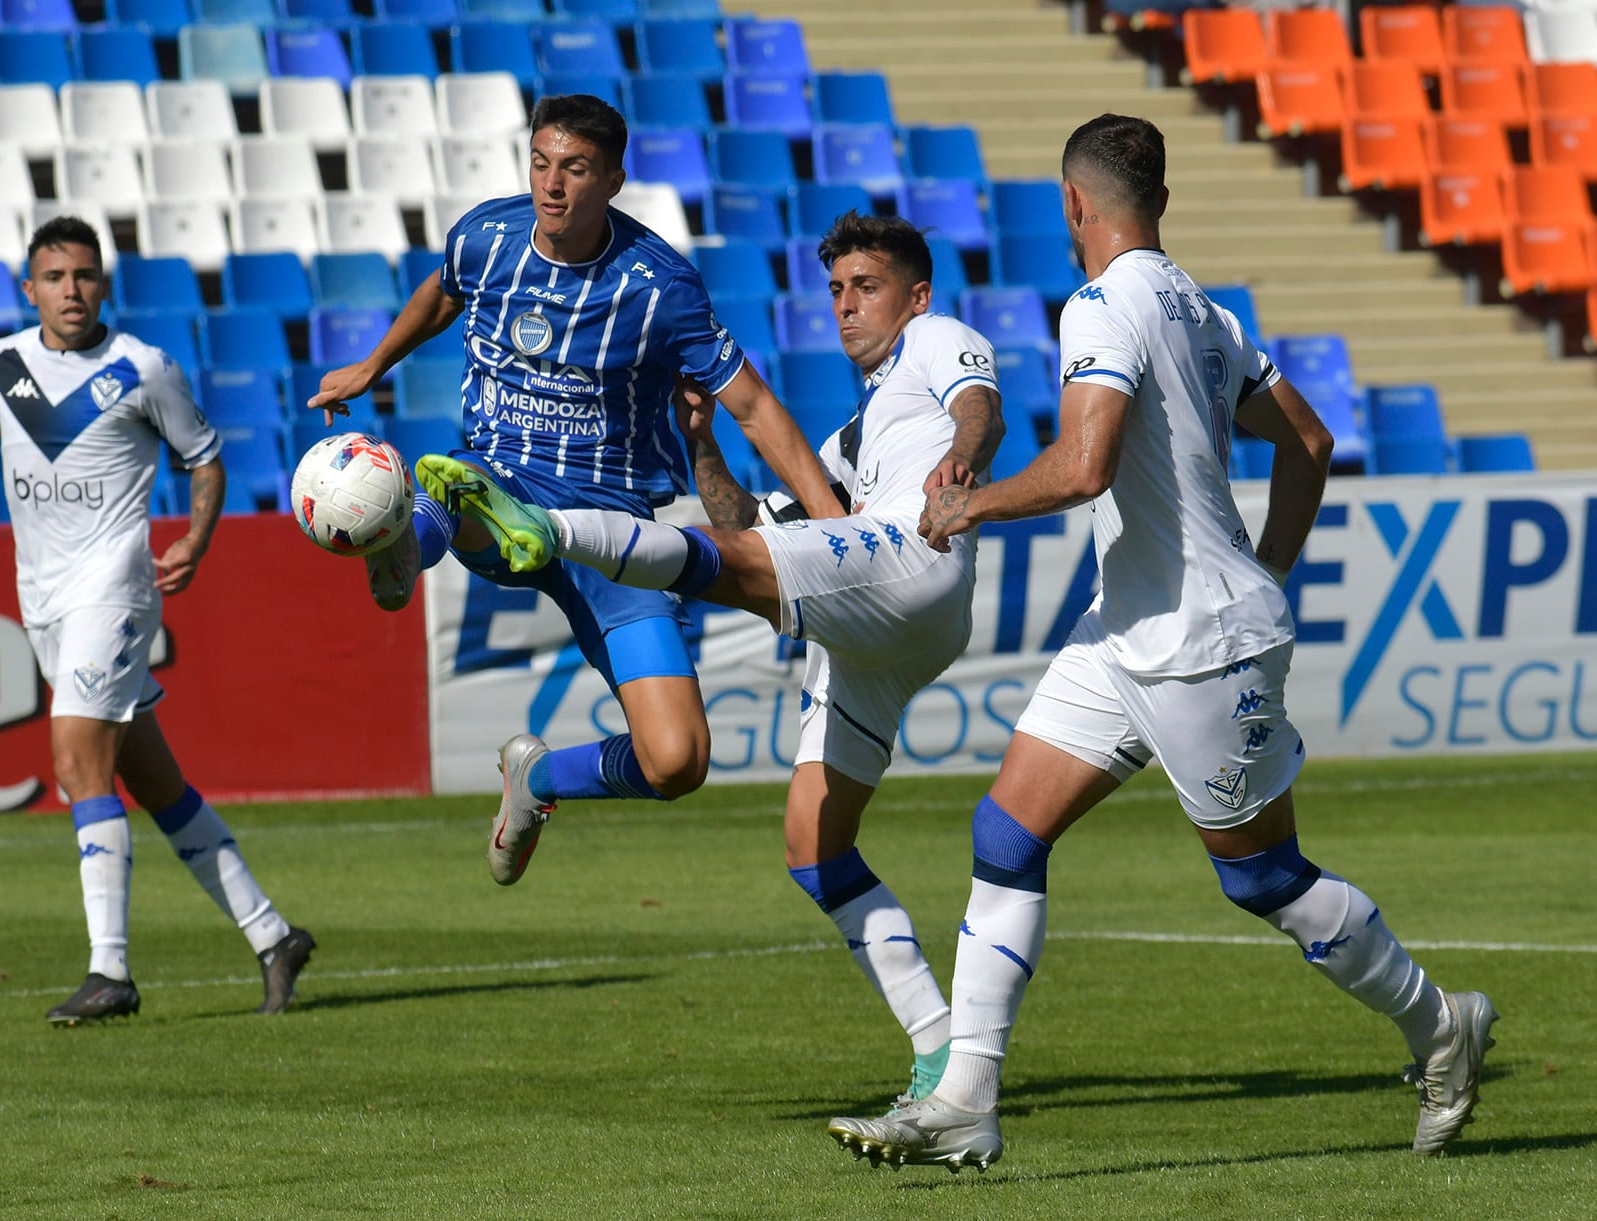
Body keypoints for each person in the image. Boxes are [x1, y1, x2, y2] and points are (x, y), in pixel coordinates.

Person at [825, 115, 1497, 1172]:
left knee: (1262, 878)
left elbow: (1085, 465)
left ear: (1073, 207)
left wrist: (972, 506)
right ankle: (964, 1098)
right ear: (1160, 203)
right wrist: (1268, 563)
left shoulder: (1102, 303)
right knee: (1006, 831)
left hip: (1197, 644)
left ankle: (1437, 1022)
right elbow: (1311, 440)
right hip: (1125, 630)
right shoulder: (1203, 309)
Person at [418, 212, 1004, 1106]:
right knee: (815, 848)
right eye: (838, 290)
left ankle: (552, 529)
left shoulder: (936, 340)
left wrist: (962, 465)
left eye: (868, 287)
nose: (847, 307)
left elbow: (980, 407)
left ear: (915, 295)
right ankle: (937, 1054)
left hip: (915, 560)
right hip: (876, 633)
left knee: (715, 564)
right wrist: (702, 445)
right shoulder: (857, 434)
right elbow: (740, 525)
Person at [308, 94, 843, 886]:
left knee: (678, 760)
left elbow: (755, 405)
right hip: (502, 474)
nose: (551, 185)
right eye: (541, 162)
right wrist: (372, 362)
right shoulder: (487, 237)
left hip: (612, 529)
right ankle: (405, 535)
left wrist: (833, 520)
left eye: (576, 169)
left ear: (614, 180)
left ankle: (538, 780)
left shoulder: (660, 287)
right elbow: (443, 293)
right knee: (465, 486)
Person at [0, 216, 316, 1024]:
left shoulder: (142, 368)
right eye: (55, 277)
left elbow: (206, 459)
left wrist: (196, 540)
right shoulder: (0, 367)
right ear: (30, 288)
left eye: (83, 276)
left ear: (102, 284)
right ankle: (273, 933)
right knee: (154, 782)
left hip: (114, 587)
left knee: (76, 757)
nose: (70, 290)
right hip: (42, 596)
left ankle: (109, 969)